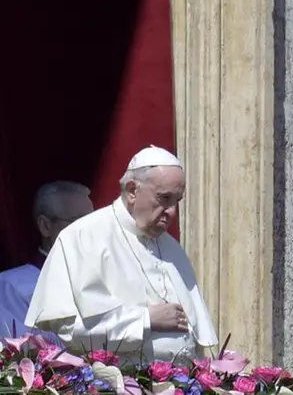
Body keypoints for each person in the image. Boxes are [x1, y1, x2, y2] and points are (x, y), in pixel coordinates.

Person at [25, 146, 218, 363]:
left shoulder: (172, 247)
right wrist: (146, 320)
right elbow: (70, 330)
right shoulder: (83, 236)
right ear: (132, 190)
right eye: (164, 198)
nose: (172, 211)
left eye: (177, 200)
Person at [0, 181, 93, 337]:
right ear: (46, 226)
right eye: (79, 222)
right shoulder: (12, 287)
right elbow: (22, 355)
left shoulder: (106, 280)